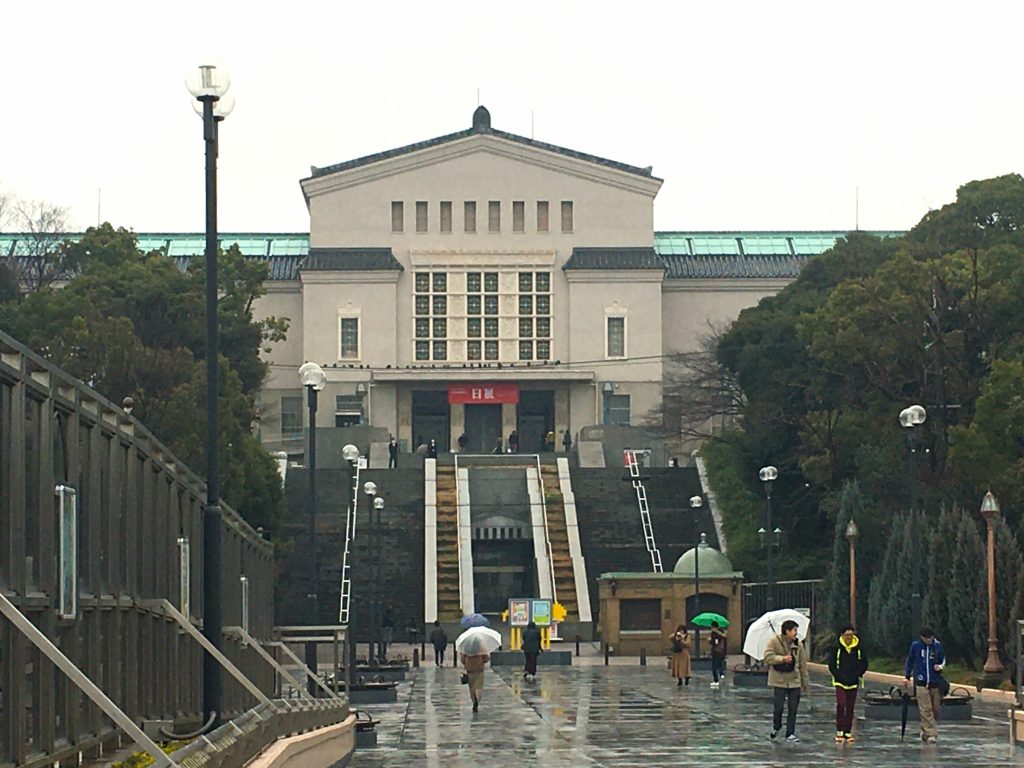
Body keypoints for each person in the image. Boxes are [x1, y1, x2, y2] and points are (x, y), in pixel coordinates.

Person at [764, 619, 809, 742]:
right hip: (779, 680)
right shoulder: (774, 641)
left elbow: (802, 664)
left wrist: (805, 683)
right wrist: (782, 659)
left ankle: (790, 733)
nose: (796, 633)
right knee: (778, 706)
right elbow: (768, 657)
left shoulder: (798, 644)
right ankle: (776, 726)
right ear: (787, 631)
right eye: (794, 630)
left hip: (794, 680)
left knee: (793, 708)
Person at [904, 626, 946, 744]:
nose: (928, 640)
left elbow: (942, 659)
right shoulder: (916, 646)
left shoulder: (937, 646)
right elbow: (910, 661)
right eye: (925, 638)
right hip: (921, 682)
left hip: (934, 682)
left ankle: (925, 730)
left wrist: (940, 667)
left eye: (930, 638)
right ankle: (932, 733)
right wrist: (907, 676)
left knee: (935, 709)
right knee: (925, 709)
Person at [828, 623, 868, 743]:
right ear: (842, 635)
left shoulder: (859, 648)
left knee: (850, 707)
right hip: (840, 681)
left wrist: (858, 674)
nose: (849, 637)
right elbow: (832, 665)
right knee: (841, 704)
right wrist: (838, 675)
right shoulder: (837, 648)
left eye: (851, 635)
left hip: (853, 681)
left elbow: (864, 664)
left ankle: (847, 731)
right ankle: (839, 730)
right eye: (847, 635)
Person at [708, 621, 727, 688]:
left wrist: (709, 640)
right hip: (722, 651)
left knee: (714, 666)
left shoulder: (714, 633)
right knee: (719, 663)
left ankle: (716, 680)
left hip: (716, 651)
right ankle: (722, 674)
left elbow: (714, 642)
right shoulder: (722, 632)